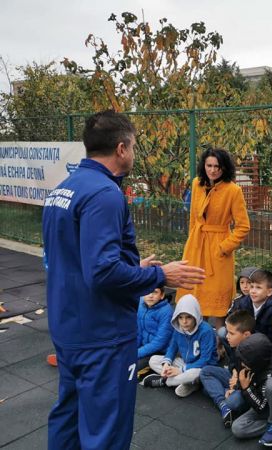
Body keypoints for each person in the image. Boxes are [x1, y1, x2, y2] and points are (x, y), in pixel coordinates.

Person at [42, 110, 205, 450]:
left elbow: (74, 258)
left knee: (69, 416)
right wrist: (161, 274)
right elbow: (101, 272)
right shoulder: (105, 194)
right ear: (121, 148)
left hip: (68, 327)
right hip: (102, 334)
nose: (133, 153)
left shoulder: (64, 189)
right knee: (106, 430)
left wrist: (133, 265)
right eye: (132, 146)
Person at [177, 147, 250, 330]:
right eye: (209, 165)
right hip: (196, 245)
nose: (213, 170)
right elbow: (193, 217)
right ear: (204, 166)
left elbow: (243, 226)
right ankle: (197, 338)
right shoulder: (197, 184)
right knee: (195, 293)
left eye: (217, 166)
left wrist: (224, 247)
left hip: (218, 248)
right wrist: (191, 241)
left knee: (218, 300)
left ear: (224, 167)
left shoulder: (233, 191)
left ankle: (220, 341)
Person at [143, 294, 218, 397]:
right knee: (153, 360)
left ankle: (164, 381)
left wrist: (180, 370)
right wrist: (167, 364)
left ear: (195, 315)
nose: (184, 322)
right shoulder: (179, 328)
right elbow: (172, 348)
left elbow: (205, 359)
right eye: (180, 317)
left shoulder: (206, 331)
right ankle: (189, 383)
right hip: (185, 363)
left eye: (188, 317)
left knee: (194, 374)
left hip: (203, 367)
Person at [231, 333, 272, 447]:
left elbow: (262, 407)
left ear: (255, 362)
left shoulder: (270, 373)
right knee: (237, 428)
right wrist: (239, 385)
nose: (242, 363)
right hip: (264, 402)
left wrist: (246, 389)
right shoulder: (251, 361)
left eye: (245, 361)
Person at [199, 310, 255, 427]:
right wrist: (234, 373)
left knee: (232, 402)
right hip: (236, 378)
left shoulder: (255, 351)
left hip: (247, 387)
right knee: (205, 371)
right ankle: (222, 404)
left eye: (231, 333)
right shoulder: (235, 343)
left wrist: (236, 386)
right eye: (227, 332)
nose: (227, 336)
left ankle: (220, 394)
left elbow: (255, 382)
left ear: (246, 335)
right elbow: (233, 362)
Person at [230, 269, 272, 361]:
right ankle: (235, 363)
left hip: (267, 350)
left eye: (258, 287)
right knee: (226, 334)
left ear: (269, 292)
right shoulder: (243, 303)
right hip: (246, 342)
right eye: (252, 286)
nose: (253, 291)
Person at [137, 287, 174, 369]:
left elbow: (160, 342)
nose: (150, 295)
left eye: (155, 292)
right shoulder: (141, 305)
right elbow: (138, 332)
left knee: (133, 366)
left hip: (160, 351)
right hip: (145, 347)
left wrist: (137, 353)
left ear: (162, 295)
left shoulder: (166, 311)